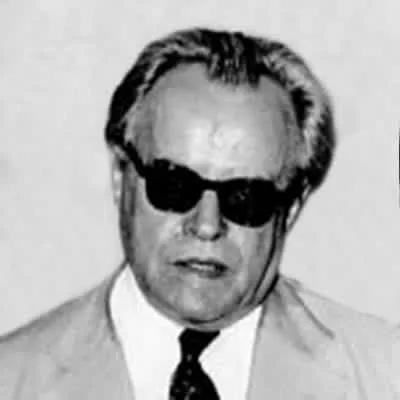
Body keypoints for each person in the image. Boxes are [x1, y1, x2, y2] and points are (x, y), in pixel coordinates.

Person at [0, 27, 396, 399]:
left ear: (290, 209)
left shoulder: (384, 376)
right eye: (174, 185)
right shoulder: (13, 379)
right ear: (121, 177)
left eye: (245, 197)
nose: (207, 225)